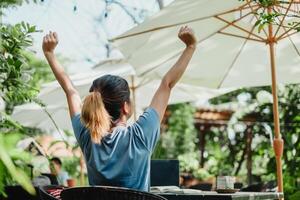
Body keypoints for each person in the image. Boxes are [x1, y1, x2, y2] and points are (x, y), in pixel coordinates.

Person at [42, 26, 197, 191]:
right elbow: (167, 84)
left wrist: (49, 53)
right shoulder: (140, 135)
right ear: (125, 107)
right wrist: (190, 47)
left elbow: (70, 91)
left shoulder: (87, 137)